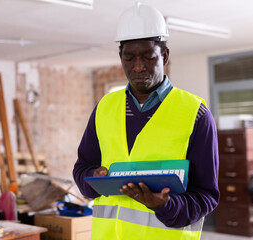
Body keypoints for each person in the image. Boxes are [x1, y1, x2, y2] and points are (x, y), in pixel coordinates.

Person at [73, 2, 219, 240]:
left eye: (148, 57)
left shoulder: (196, 114)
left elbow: (206, 195)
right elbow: (82, 168)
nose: (138, 66)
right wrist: (95, 178)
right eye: (129, 58)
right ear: (120, 57)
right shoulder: (104, 108)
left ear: (165, 55)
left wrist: (166, 206)